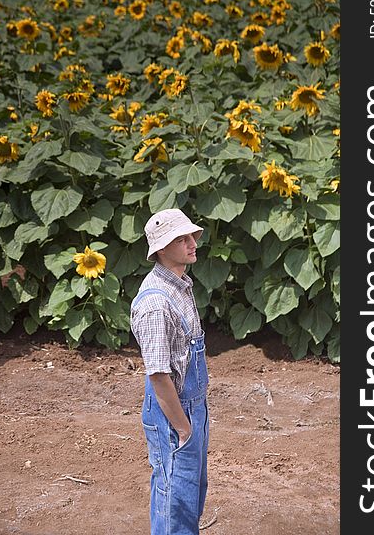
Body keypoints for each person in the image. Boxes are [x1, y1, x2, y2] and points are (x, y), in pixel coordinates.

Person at [130, 208, 209, 535]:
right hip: (174, 412)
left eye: (191, 235)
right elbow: (159, 376)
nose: (192, 243)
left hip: (192, 408)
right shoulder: (155, 304)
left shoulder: (180, 285)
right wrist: (184, 429)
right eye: (181, 238)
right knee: (174, 498)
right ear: (161, 249)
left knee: (190, 493)